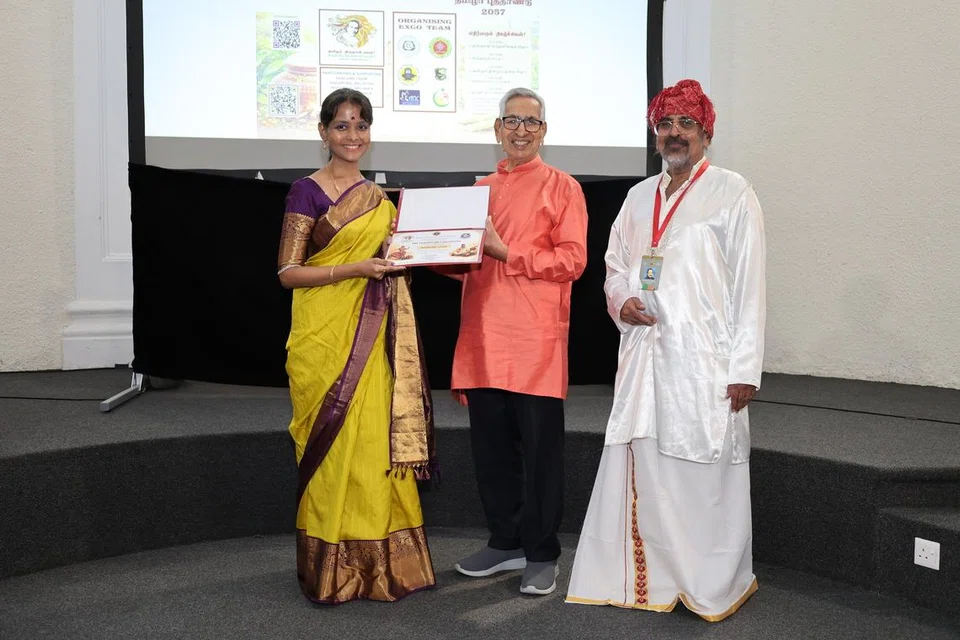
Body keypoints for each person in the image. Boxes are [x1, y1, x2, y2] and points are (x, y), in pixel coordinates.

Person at [565, 79, 766, 621]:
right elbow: (614, 266)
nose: (674, 133)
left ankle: (705, 582)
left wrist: (745, 368)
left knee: (700, 474)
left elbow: (750, 285)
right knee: (646, 461)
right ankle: (651, 579)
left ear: (706, 132)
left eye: (685, 123)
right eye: (665, 124)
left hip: (705, 363)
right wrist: (622, 300)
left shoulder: (732, 192)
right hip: (643, 354)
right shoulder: (637, 197)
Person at [277, 88, 437, 604]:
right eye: (342, 125)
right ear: (323, 132)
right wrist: (355, 268)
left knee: (371, 445)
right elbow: (288, 272)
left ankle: (380, 567)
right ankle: (332, 570)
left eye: (361, 125)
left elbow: (394, 260)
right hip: (322, 338)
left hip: (370, 341)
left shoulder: (379, 200)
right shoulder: (305, 192)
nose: (353, 136)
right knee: (330, 450)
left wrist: (398, 256)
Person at [443, 87, 589, 595]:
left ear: (544, 131)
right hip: (483, 340)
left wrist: (506, 251)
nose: (521, 130)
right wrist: (420, 249)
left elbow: (572, 261)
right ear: (497, 129)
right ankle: (504, 542)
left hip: (535, 345)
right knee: (492, 452)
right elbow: (463, 263)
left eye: (531, 122)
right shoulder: (477, 190)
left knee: (541, 456)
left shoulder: (563, 187)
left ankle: (542, 552)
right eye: (512, 121)